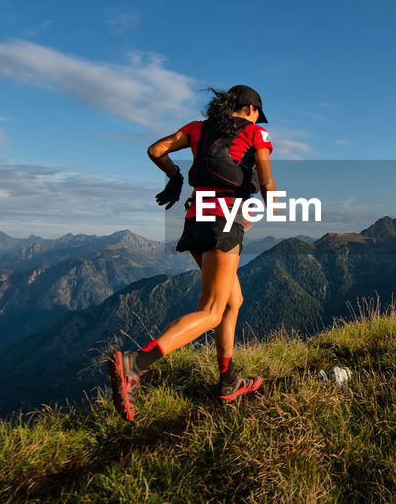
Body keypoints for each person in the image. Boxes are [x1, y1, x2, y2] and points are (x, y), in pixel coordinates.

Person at [107, 84, 275, 420]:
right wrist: (269, 210)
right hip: (223, 220)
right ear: (250, 109)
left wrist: (174, 175)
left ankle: (228, 381)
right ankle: (135, 364)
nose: (258, 119)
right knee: (212, 310)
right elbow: (267, 182)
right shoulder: (257, 134)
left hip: (194, 218)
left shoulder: (196, 129)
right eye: (258, 113)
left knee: (232, 300)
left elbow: (156, 149)